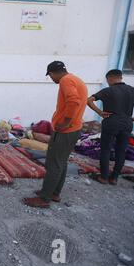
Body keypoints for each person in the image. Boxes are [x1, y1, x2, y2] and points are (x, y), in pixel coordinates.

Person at [23, 61, 88, 208]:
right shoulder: (76, 79)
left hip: (66, 130)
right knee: (61, 162)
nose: (52, 79)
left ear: (53, 73)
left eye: (50, 76)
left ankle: (44, 198)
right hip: (73, 129)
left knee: (53, 163)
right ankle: (54, 193)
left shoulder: (66, 81)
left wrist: (65, 122)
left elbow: (73, 101)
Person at [87, 69, 134, 185]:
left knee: (106, 149)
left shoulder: (108, 91)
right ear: (121, 77)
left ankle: (103, 177)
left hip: (111, 121)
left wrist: (99, 112)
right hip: (127, 123)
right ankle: (114, 178)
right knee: (121, 151)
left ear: (110, 78)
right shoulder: (132, 90)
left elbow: (89, 100)